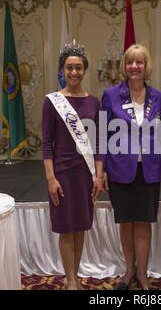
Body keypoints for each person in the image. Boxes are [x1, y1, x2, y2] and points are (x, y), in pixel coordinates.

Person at [42, 41, 104, 290]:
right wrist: (50, 178)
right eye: (69, 68)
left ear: (85, 70)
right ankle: (70, 279)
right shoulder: (52, 101)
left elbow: (100, 142)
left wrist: (99, 176)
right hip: (62, 173)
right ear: (62, 70)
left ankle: (75, 276)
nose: (74, 72)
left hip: (86, 174)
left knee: (80, 227)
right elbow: (46, 143)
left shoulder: (94, 102)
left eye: (78, 67)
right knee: (67, 228)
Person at [101, 44, 161, 290]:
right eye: (130, 62)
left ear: (147, 66)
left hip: (148, 170)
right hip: (120, 170)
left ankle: (143, 275)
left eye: (139, 62)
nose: (134, 67)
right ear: (124, 67)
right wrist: (102, 170)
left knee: (144, 222)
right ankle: (128, 272)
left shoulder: (158, 96)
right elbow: (103, 134)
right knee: (126, 222)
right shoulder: (111, 95)